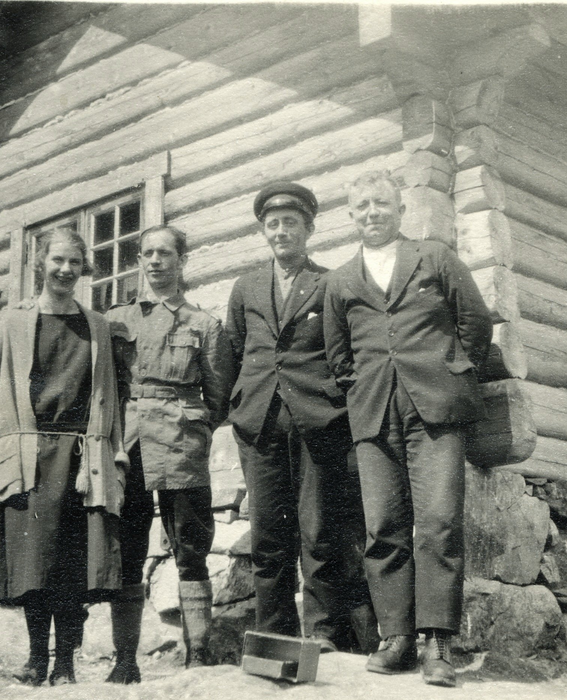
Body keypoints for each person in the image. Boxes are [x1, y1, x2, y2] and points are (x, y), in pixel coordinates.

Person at [323, 171, 492, 687]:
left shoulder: (434, 258)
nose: (371, 213)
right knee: (383, 527)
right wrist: (363, 390)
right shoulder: (340, 280)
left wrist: (453, 373)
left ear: (399, 209)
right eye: (361, 206)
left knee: (439, 521)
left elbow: (476, 322)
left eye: (381, 203)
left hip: (434, 410)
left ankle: (437, 643)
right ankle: (395, 637)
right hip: (374, 413)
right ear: (350, 216)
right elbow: (338, 356)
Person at [225, 182, 376, 653]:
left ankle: (324, 634)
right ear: (263, 232)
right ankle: (273, 638)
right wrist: (237, 405)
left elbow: (343, 351)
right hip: (259, 424)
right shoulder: (246, 286)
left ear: (309, 228)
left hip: (316, 423)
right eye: (272, 224)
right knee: (268, 537)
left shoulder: (328, 283)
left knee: (318, 531)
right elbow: (232, 349)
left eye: (291, 222)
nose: (281, 231)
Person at [0, 226, 127, 686]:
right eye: (57, 261)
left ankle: (65, 665)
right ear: (40, 264)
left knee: (71, 568)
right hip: (27, 456)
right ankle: (36, 660)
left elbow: (111, 399)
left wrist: (116, 458)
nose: (65, 270)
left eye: (75, 264)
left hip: (82, 460)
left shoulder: (97, 326)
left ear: (84, 270)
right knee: (32, 566)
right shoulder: (14, 322)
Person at [105, 225, 234, 676]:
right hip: (131, 444)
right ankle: (124, 661)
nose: (155, 261)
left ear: (183, 260)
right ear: (140, 261)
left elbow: (219, 397)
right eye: (147, 254)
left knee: (191, 547)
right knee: (127, 548)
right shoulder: (118, 321)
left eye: (165, 253)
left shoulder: (204, 324)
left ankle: (197, 652)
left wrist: (189, 425)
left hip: (182, 445)